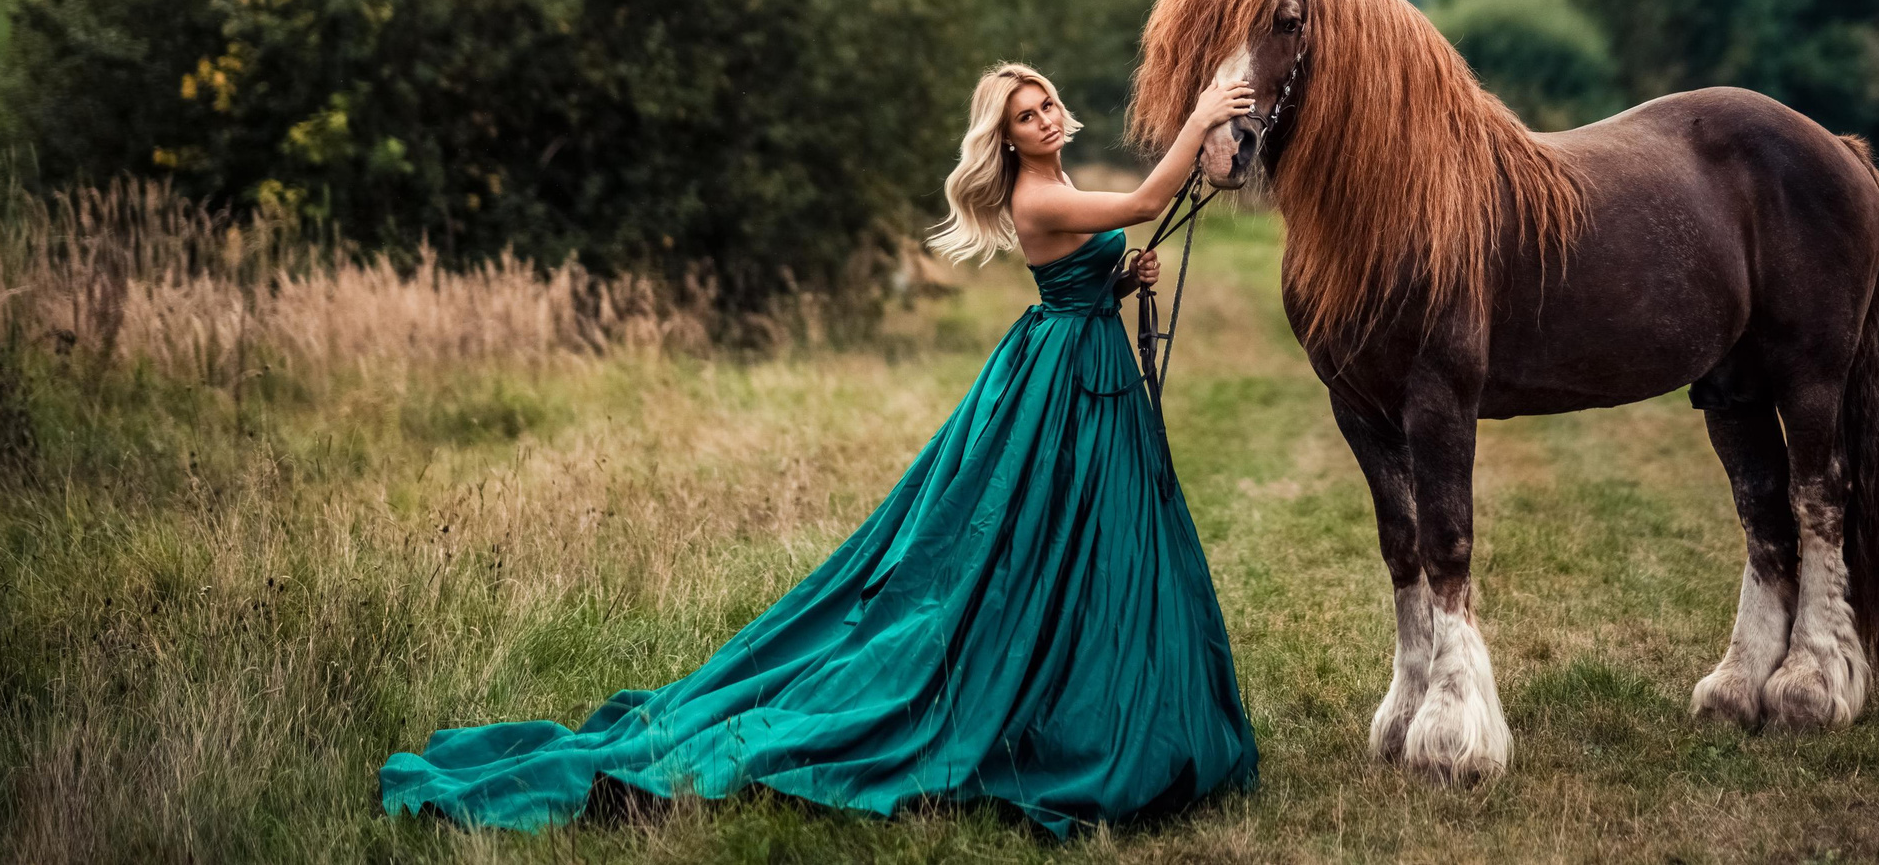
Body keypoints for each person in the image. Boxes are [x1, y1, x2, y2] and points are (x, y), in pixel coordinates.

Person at [379, 61, 1260, 836]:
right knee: (1030, 545)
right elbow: (1146, 201)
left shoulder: (1059, 184)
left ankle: (1116, 702)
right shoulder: (1035, 195)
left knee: (1108, 538)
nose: (1043, 116)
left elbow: (1101, 246)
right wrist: (1204, 110)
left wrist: (1117, 273)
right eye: (1024, 114)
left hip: (1088, 364)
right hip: (1062, 378)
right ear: (1005, 139)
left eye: (1046, 104)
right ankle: (1067, 719)